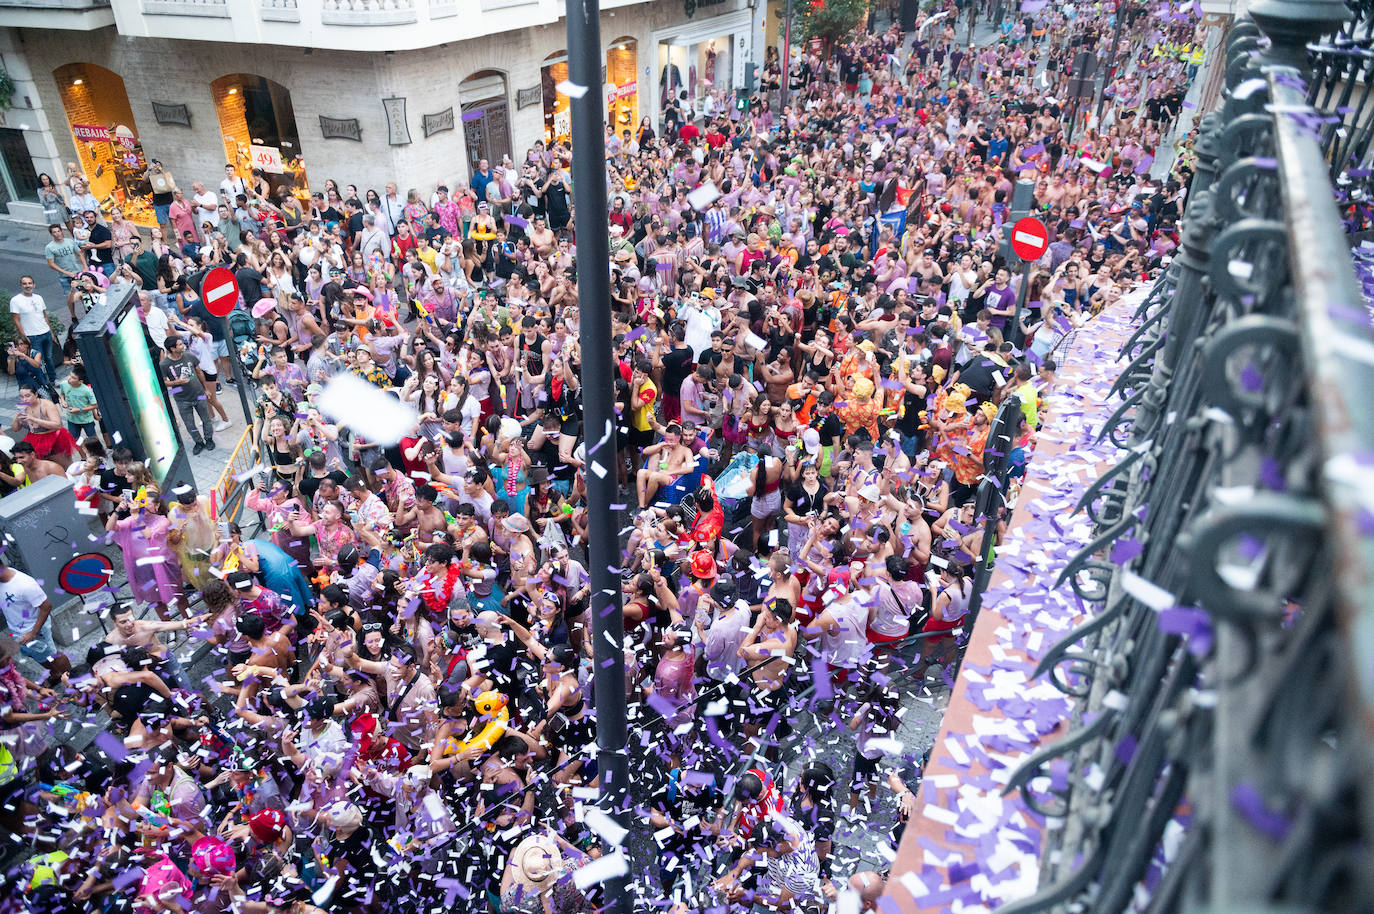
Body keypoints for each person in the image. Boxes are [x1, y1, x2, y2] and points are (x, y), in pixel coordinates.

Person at [0, 560, 69, 686]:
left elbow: (46, 606)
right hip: (18, 631)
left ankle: (76, 682)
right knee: (36, 655)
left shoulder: (24, 584)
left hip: (34, 631)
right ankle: (56, 673)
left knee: (54, 656)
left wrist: (33, 633)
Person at [160, 335, 216, 455]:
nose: (183, 346)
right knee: (189, 424)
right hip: (181, 399)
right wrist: (177, 382)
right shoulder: (164, 364)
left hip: (199, 394)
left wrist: (206, 389)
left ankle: (209, 439)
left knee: (206, 419)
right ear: (172, 348)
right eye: (179, 344)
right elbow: (164, 382)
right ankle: (198, 442)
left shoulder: (189, 355)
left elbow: (199, 372)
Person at [9, 276, 56, 388]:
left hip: (45, 332)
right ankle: (45, 383)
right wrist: (24, 337)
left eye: (30, 283)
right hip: (32, 335)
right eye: (25, 283)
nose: (27, 285)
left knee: (49, 358)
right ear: (21, 285)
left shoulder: (39, 297)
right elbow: (16, 319)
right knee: (39, 361)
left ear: (34, 285)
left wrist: (51, 332)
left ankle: (54, 379)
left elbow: (44, 315)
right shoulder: (16, 300)